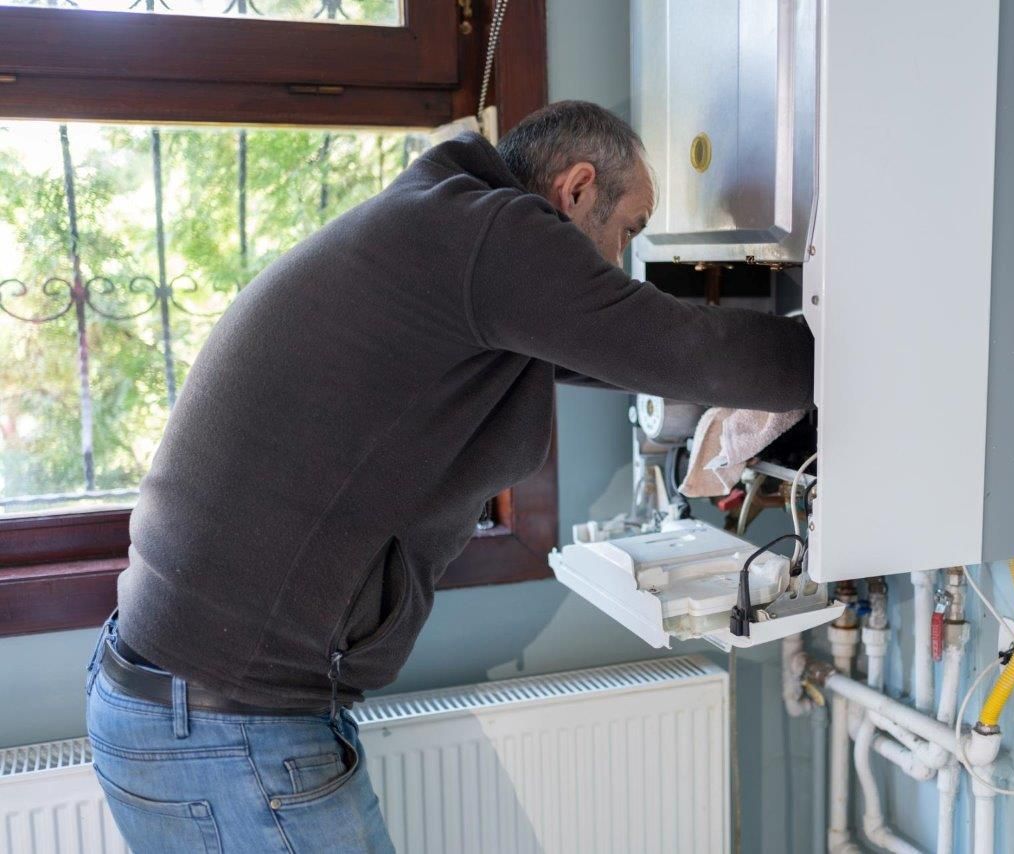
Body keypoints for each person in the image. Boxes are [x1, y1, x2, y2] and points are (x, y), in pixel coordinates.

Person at [85, 100, 813, 851]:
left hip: (180, 695)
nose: (624, 262)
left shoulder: (443, 226)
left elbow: (611, 346)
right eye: (627, 231)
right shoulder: (493, 236)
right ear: (576, 189)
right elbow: (675, 346)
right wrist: (845, 353)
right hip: (224, 720)